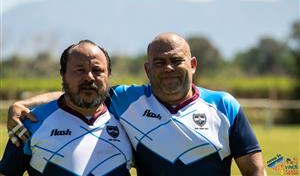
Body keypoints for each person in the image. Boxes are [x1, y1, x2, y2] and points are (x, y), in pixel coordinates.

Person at [4, 33, 266, 176]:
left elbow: (254, 171)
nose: (169, 69)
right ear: (147, 69)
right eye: (160, 63)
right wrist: (24, 104)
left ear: (193, 64)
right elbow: (82, 93)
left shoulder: (225, 106)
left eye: (176, 61)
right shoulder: (127, 101)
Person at [0, 40, 133, 176]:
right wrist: (24, 104)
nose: (89, 77)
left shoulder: (129, 119)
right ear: (63, 75)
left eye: (97, 70)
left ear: (108, 75)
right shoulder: (30, 123)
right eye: (79, 70)